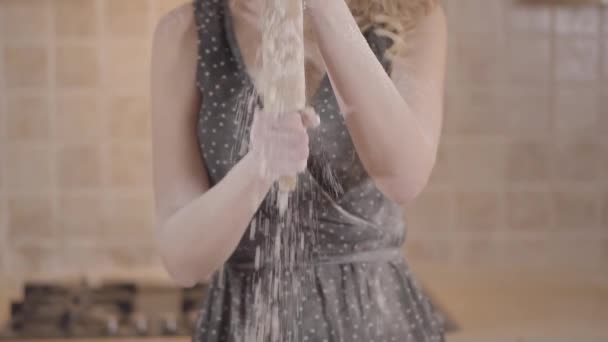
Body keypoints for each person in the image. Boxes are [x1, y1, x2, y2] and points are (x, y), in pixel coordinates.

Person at [150, 0, 446, 340]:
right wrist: (259, 169)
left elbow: (404, 178)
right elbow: (183, 260)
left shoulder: (410, 14)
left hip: (374, 320)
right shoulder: (186, 32)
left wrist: (325, 8)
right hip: (247, 325)